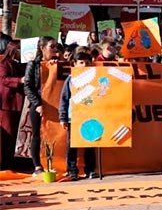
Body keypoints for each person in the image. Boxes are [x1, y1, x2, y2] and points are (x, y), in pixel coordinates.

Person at [23, 36, 60, 176]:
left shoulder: (57, 63)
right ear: (42, 48)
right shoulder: (33, 64)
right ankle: (37, 166)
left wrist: (55, 67)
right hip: (39, 104)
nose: (55, 49)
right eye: (52, 46)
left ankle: (55, 162)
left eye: (56, 46)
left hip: (55, 104)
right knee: (37, 135)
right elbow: (28, 86)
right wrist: (37, 103)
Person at [59, 51, 98, 180]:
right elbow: (64, 99)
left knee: (90, 144)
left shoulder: (96, 78)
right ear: (74, 64)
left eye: (87, 63)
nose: (84, 65)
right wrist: (63, 117)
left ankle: (90, 169)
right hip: (74, 116)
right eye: (81, 63)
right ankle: (72, 170)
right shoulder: (70, 79)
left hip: (91, 116)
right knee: (72, 144)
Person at [0, 35, 25, 171]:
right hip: (7, 104)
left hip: (18, 102)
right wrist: (20, 80)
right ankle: (5, 163)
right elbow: (4, 79)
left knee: (16, 134)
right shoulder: (4, 64)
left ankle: (14, 161)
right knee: (8, 135)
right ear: (14, 51)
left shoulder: (19, 64)